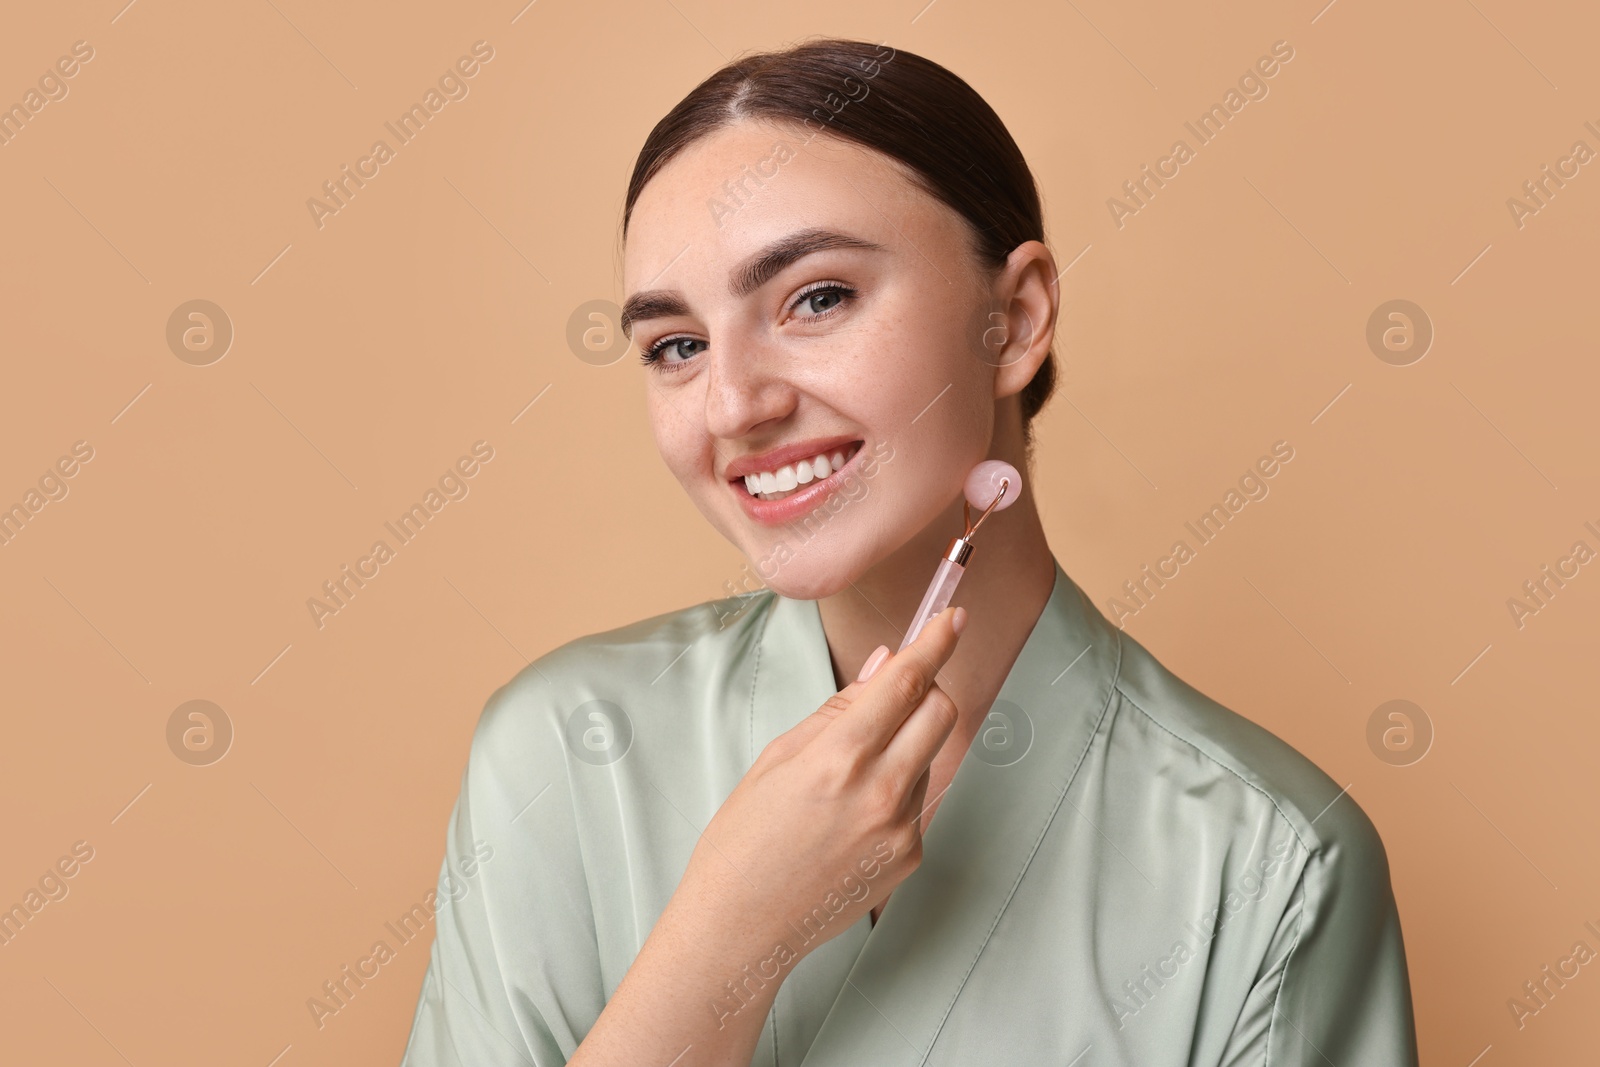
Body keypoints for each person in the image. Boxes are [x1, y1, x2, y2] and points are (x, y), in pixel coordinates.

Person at [400, 37, 1418, 1066]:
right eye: (677, 345)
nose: (733, 402)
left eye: (816, 297)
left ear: (1013, 320)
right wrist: (725, 941)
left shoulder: (1269, 859)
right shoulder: (561, 754)